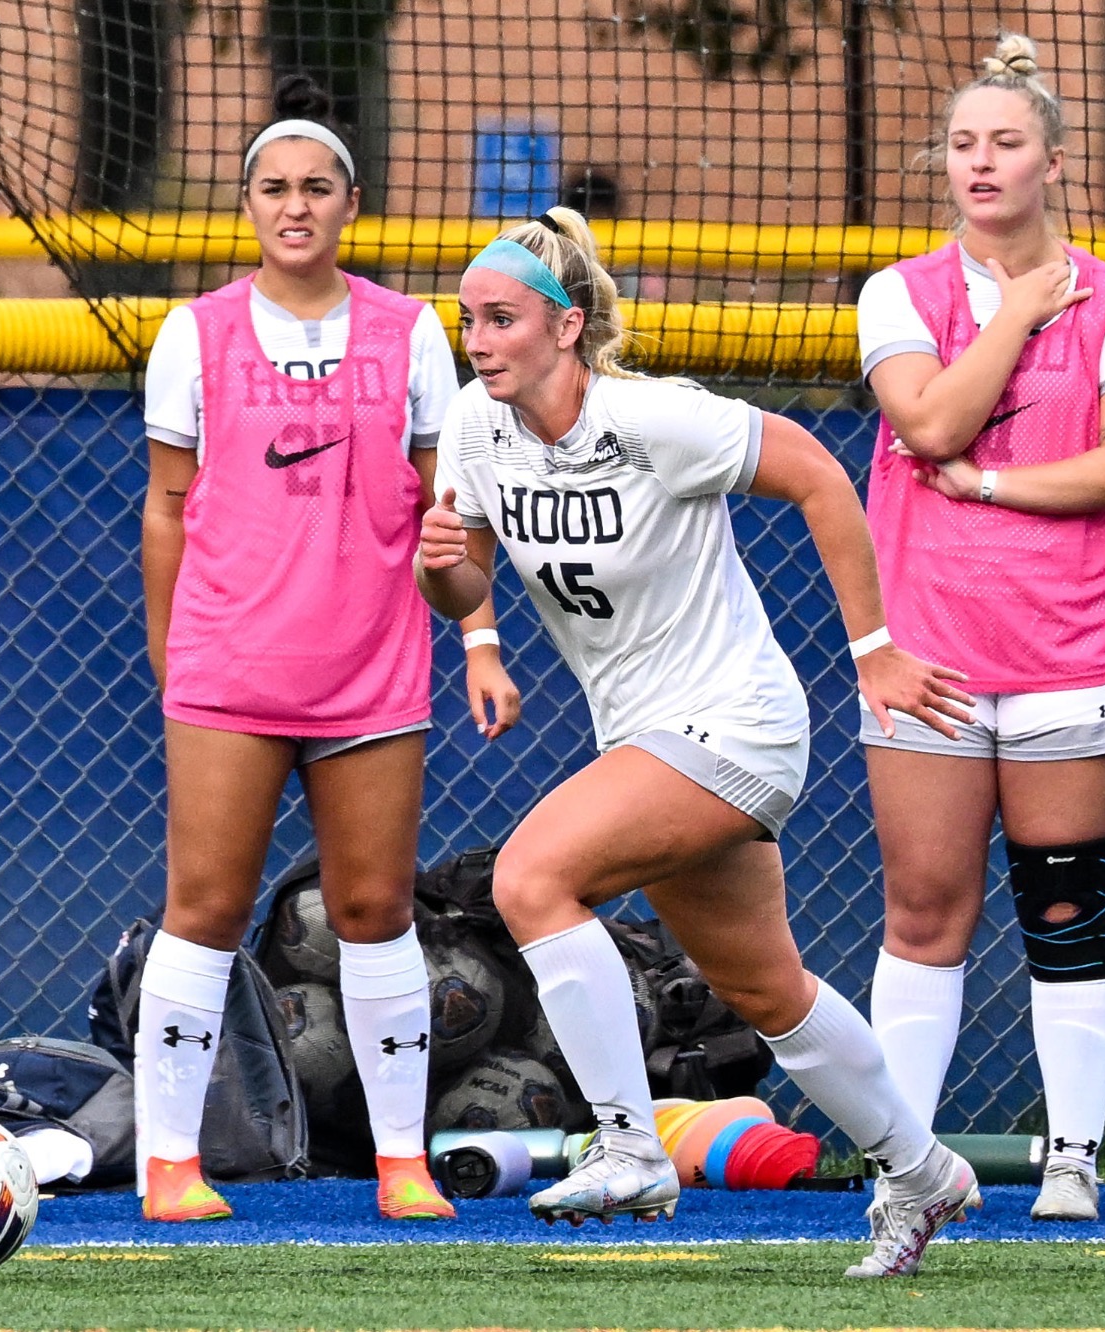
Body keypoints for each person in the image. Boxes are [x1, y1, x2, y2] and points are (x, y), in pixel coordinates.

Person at [416, 206, 981, 1277]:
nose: (478, 339)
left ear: (565, 325)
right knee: (770, 993)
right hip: (645, 733)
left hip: (735, 723)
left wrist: (873, 649)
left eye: (499, 319)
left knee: (531, 878)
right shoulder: (475, 425)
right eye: (468, 320)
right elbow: (459, 580)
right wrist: (450, 578)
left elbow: (818, 472)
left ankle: (628, 1144)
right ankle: (918, 1171)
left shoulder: (653, 419)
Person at [134, 76, 520, 1224]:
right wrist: (172, 655)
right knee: (201, 906)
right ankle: (168, 1166)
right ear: (246, 202)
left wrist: (471, 612)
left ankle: (401, 1163)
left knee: (373, 908)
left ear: (350, 201)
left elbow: (444, 519)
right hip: (230, 665)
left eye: (314, 187)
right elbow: (167, 507)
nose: (293, 206)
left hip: (368, 663)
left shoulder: (407, 332)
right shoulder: (192, 332)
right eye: (272, 188)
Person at [853, 33, 1105, 1222]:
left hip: (1071, 646)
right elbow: (927, 422)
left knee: (1064, 902)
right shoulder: (898, 292)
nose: (979, 164)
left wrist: (989, 488)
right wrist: (1019, 311)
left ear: (1051, 160)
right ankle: (906, 1165)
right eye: (962, 144)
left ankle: (1071, 1160)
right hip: (926, 648)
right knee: (923, 911)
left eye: (1005, 143)